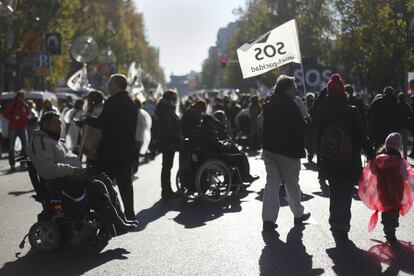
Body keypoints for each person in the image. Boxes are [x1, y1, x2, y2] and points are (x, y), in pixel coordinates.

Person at [28, 111, 137, 236]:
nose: (59, 125)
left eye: (60, 123)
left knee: (103, 178)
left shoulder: (52, 139)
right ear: (44, 124)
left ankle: (119, 220)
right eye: (55, 123)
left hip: (68, 177)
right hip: (57, 182)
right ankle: (116, 222)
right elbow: (46, 170)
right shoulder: (41, 141)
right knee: (98, 185)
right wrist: (72, 170)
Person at [317, 74, 374, 242]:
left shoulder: (323, 111)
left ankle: (335, 223)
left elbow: (318, 136)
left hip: (330, 159)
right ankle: (343, 225)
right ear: (343, 92)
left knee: (334, 192)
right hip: (350, 158)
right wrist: (371, 155)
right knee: (346, 193)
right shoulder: (352, 111)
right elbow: (362, 135)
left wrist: (319, 160)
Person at [261, 75, 311, 231]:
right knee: (291, 184)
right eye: (294, 87)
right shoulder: (291, 106)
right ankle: (298, 214)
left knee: (272, 184)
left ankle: (268, 220)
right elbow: (301, 128)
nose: (297, 89)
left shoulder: (268, 104)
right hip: (288, 151)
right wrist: (306, 115)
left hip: (269, 149)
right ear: (287, 89)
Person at [94, 74, 138, 222]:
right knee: (125, 183)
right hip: (126, 150)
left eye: (110, 83)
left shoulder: (112, 101)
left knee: (103, 183)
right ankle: (130, 213)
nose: (108, 86)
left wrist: (86, 120)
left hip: (110, 150)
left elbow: (102, 123)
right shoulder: (130, 102)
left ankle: (108, 215)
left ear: (117, 85)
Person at [359, 133, 414, 243]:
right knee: (394, 209)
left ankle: (387, 226)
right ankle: (391, 228)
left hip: (383, 190)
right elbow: (406, 175)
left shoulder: (379, 159)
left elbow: (372, 171)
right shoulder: (399, 161)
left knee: (386, 208)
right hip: (397, 191)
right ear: (398, 146)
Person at [156, 90, 183, 199]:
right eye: (174, 99)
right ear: (169, 99)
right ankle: (166, 191)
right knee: (167, 167)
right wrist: (178, 137)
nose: (176, 101)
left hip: (167, 142)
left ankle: (167, 190)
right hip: (168, 143)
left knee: (167, 167)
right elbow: (168, 128)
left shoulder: (165, 109)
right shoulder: (166, 110)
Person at [3, 91, 31, 171]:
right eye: (21, 96)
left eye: (23, 96)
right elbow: (5, 113)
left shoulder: (25, 106)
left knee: (24, 147)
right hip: (13, 128)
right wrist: (13, 118)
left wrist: (27, 118)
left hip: (23, 128)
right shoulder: (13, 105)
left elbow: (29, 114)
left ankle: (23, 163)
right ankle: (12, 164)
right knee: (11, 147)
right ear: (17, 97)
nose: (22, 98)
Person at [133, 98, 152, 175]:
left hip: (133, 137)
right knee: (136, 154)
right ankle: (135, 168)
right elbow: (147, 125)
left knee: (133, 154)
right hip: (140, 137)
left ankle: (133, 168)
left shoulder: (133, 113)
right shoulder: (143, 114)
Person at [396, 92, 412, 159]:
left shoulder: (396, 106)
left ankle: (397, 157)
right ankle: (405, 157)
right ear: (404, 98)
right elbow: (410, 116)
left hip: (398, 127)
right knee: (405, 143)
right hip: (405, 126)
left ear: (398, 98)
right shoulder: (407, 106)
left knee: (397, 143)